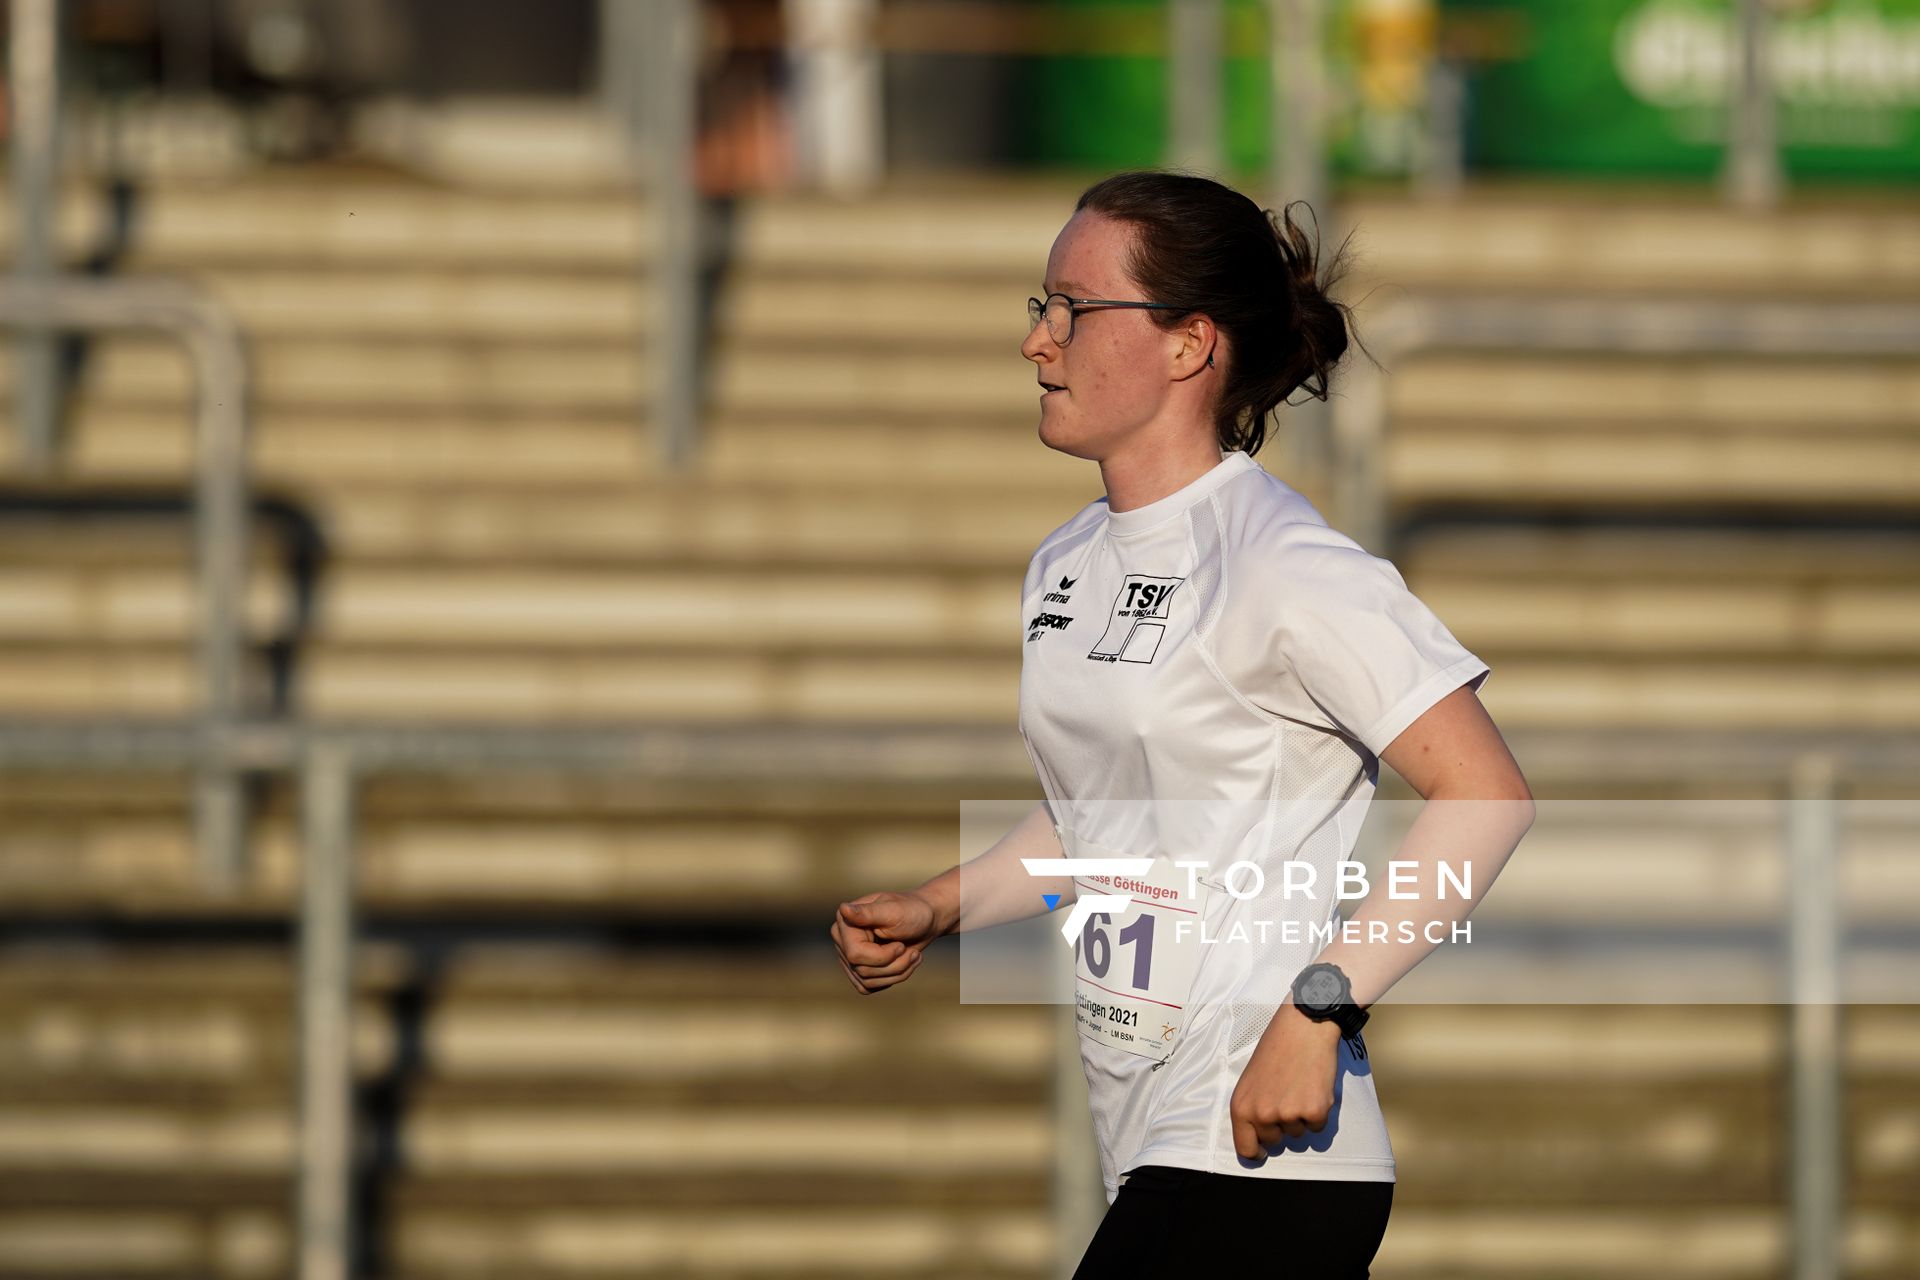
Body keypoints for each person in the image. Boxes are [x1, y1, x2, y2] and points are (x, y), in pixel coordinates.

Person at [829, 170, 1534, 1277]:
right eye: (1039, 306)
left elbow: (1488, 796)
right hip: (1150, 1140)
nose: (1039, 342)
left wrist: (1320, 1011)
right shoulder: (1062, 563)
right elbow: (1108, 821)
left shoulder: (1286, 564)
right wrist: (946, 899)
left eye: (1074, 307)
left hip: (1264, 1147)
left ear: (1188, 344)